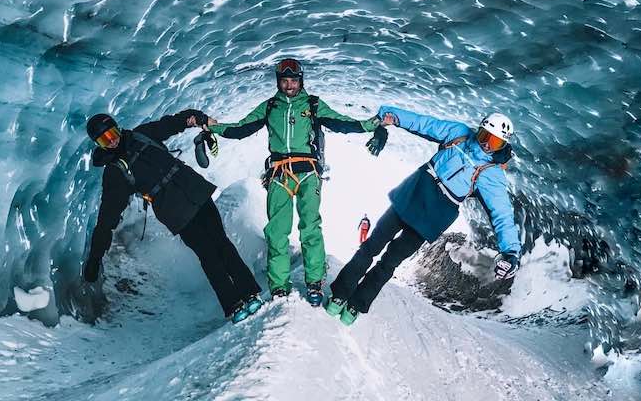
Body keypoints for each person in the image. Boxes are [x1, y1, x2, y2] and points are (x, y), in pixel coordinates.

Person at [203, 58, 387, 306]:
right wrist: (212, 128)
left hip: (308, 174)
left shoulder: (312, 105)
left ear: (301, 80)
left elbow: (341, 122)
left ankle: (314, 283)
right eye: (284, 81)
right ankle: (279, 286)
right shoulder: (270, 107)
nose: (289, 85)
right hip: (279, 175)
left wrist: (371, 124)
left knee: (310, 228)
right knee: (276, 232)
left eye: (293, 80)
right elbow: (241, 128)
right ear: (278, 82)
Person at [325, 108, 521, 325]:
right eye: (485, 136)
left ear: (503, 145)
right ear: (479, 130)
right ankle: (339, 294)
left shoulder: (492, 174)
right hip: (412, 194)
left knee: (390, 262)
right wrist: (393, 116)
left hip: (433, 216)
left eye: (494, 142)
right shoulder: (460, 133)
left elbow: (502, 214)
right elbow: (426, 124)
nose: (486, 145)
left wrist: (511, 252)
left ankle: (356, 304)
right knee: (370, 246)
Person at [83, 110, 262, 324]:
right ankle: (233, 304)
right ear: (99, 145)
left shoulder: (142, 135)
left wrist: (197, 118)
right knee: (208, 255)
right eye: (104, 140)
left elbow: (172, 123)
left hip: (195, 192)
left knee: (222, 243)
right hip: (175, 211)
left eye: (112, 134)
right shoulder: (115, 172)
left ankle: (250, 293)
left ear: (117, 128)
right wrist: (95, 258)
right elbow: (106, 219)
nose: (112, 141)